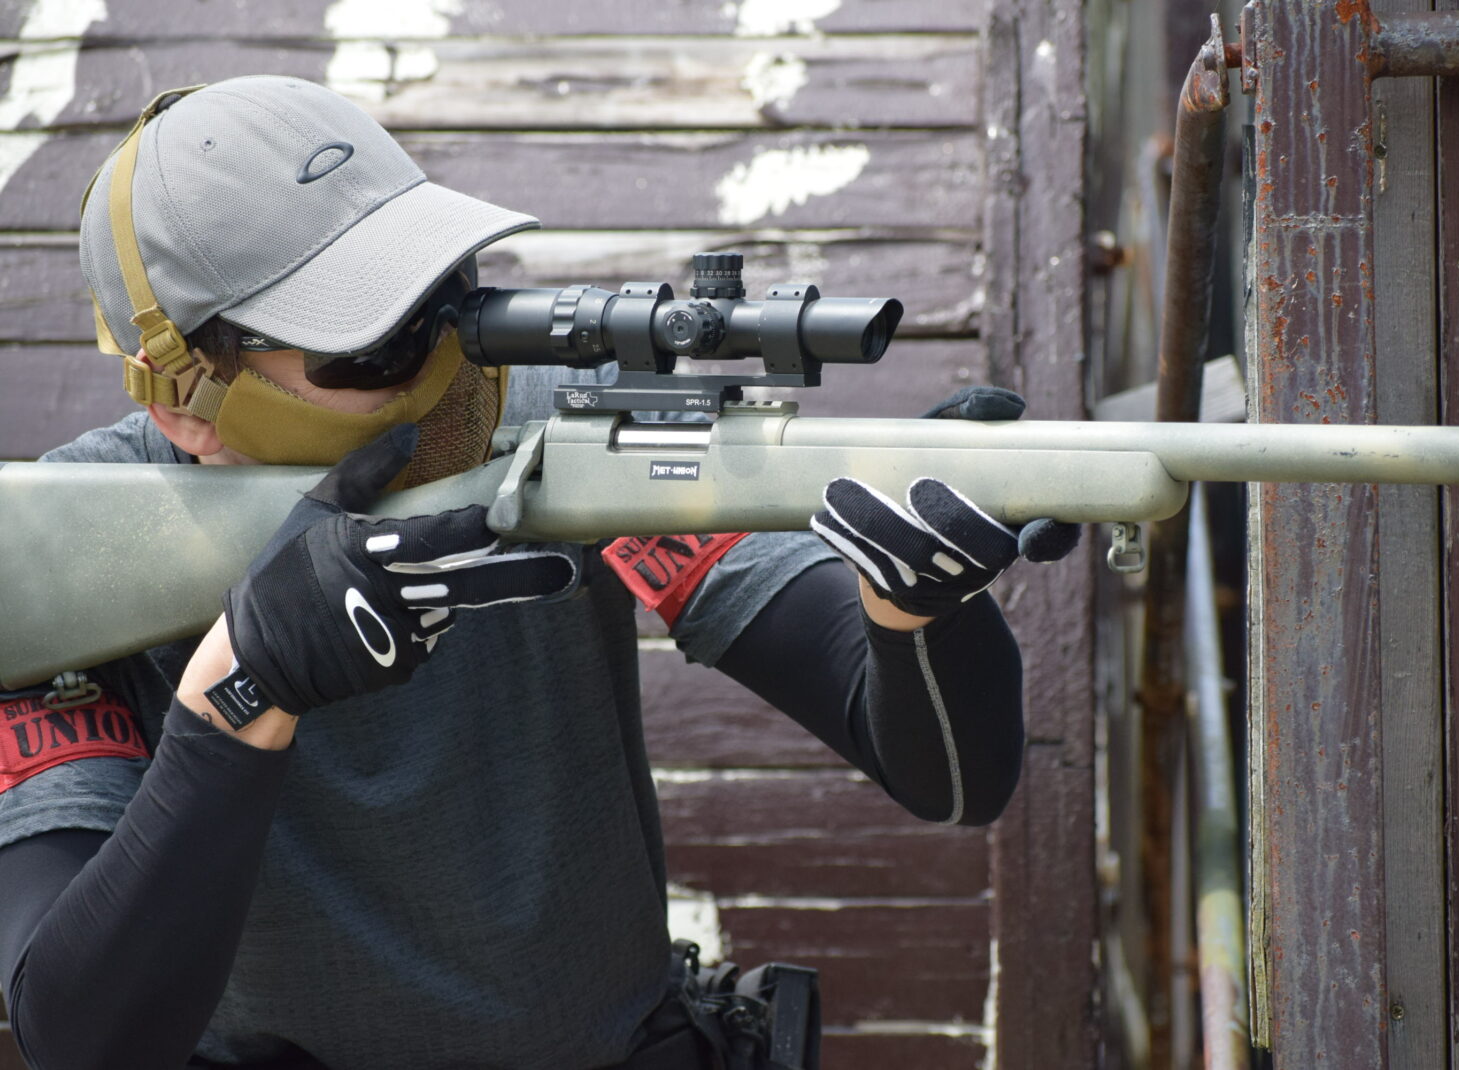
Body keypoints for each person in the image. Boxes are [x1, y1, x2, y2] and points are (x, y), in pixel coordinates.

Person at [0, 77, 1078, 1069]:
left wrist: (917, 611)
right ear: (185, 402)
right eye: (369, 345)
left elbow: (951, 780)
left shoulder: (554, 419)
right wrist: (246, 686)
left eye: (442, 302)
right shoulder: (66, 552)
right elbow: (84, 1036)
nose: (439, 370)